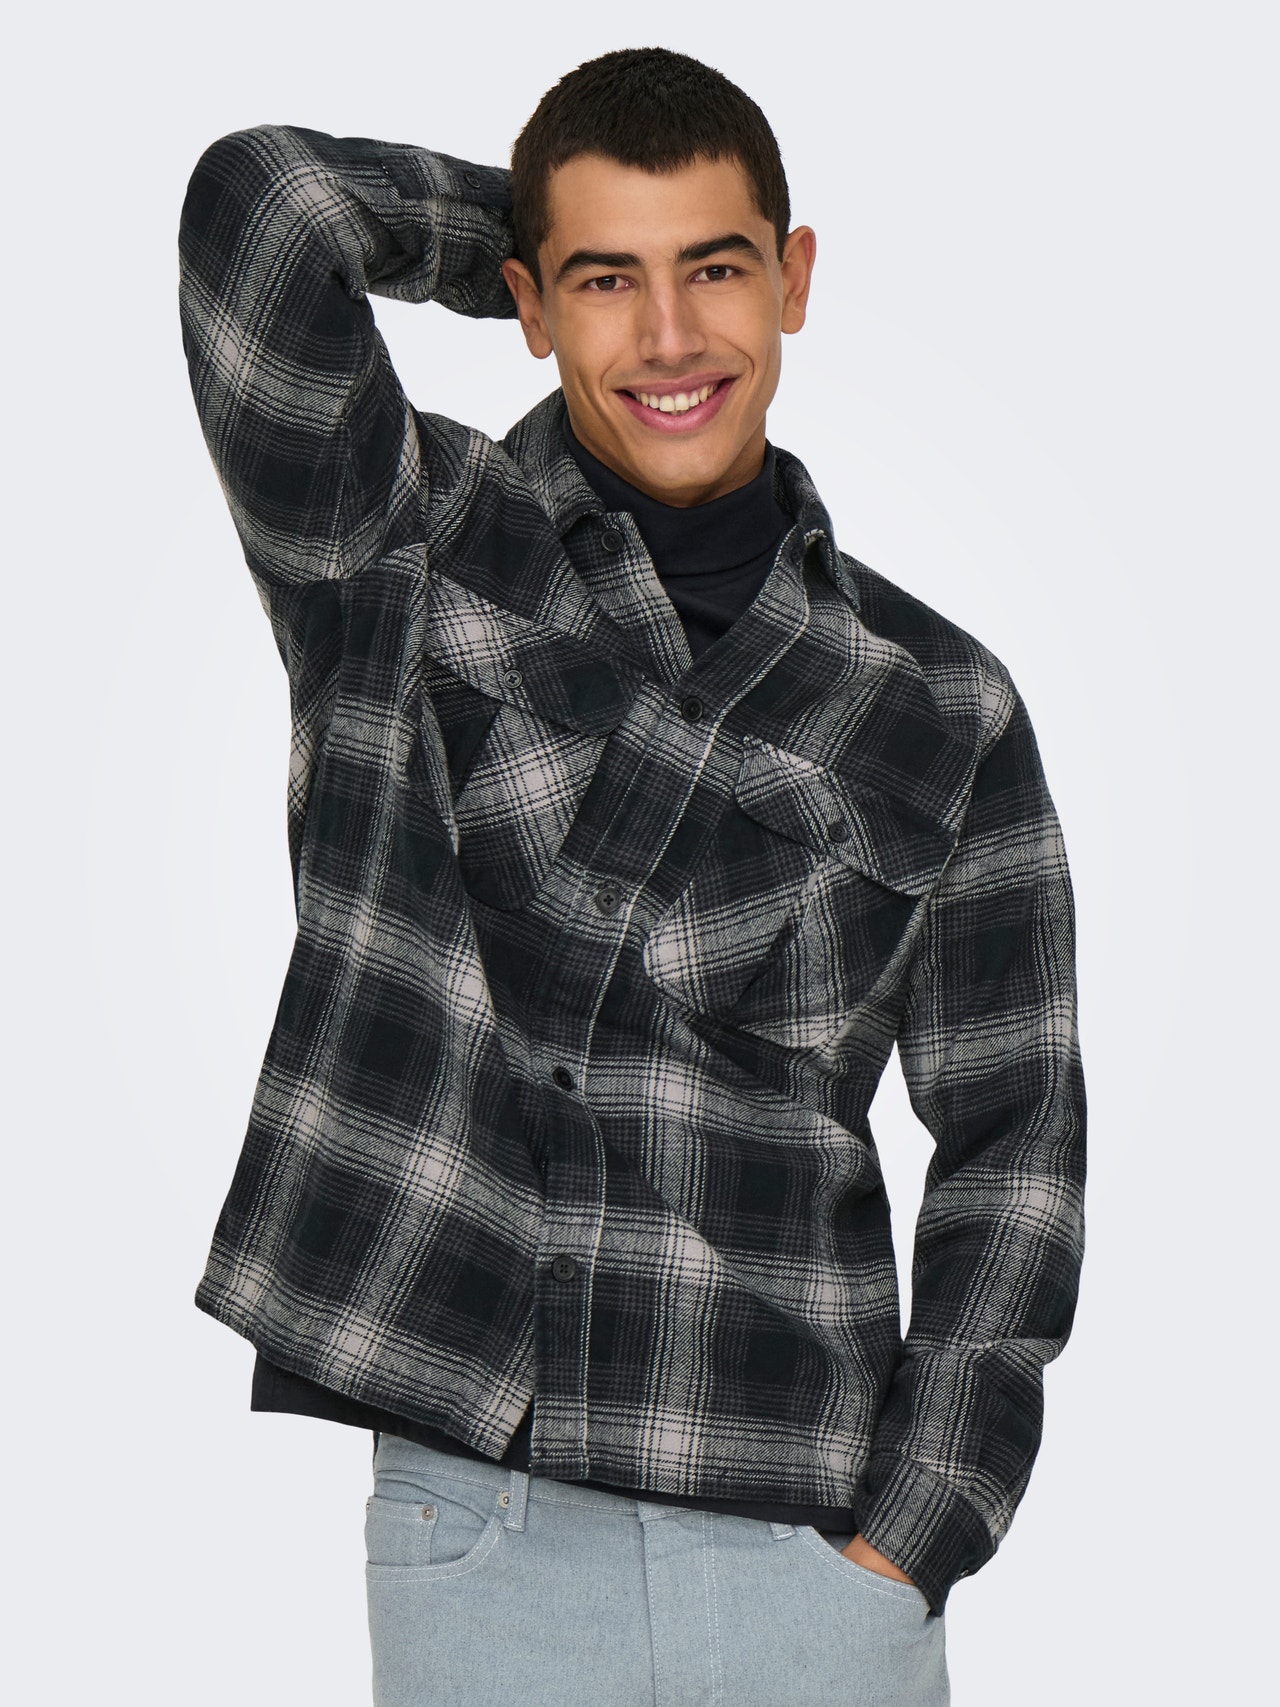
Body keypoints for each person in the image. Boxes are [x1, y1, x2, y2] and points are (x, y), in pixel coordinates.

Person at [179, 45, 1085, 1707]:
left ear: (794, 280)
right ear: (529, 302)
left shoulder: (944, 707)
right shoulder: (400, 539)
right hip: (486, 1524)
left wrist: (914, 1533)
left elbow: (1015, 1143)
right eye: (607, 280)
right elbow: (268, 206)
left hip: (816, 1536)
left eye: (715, 270)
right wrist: (520, 232)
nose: (668, 338)